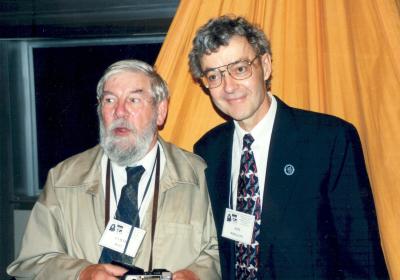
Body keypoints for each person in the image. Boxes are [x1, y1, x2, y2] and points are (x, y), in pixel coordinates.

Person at [189, 15, 388, 279]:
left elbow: (362, 257)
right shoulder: (208, 150)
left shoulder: (328, 140)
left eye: (239, 69)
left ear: (266, 65)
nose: (228, 87)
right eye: (214, 75)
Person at [7, 60, 220, 280]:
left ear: (160, 111)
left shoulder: (200, 176)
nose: (120, 111)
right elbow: (30, 264)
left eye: (134, 100)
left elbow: (222, 253)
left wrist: (196, 275)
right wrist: (81, 274)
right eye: (109, 100)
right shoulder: (63, 179)